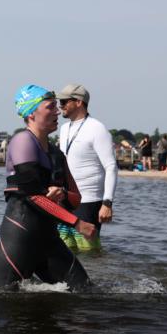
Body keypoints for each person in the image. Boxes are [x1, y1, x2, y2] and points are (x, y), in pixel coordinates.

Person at [0, 85, 95, 291]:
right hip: (19, 237)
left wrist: (63, 194)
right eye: (50, 107)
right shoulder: (22, 141)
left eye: (57, 107)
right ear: (31, 113)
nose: (57, 112)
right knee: (4, 300)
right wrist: (77, 223)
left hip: (49, 240)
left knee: (86, 292)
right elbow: (31, 196)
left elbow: (76, 199)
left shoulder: (57, 154)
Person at [55, 84, 117, 252]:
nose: (60, 106)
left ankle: (98, 277)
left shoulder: (97, 128)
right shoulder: (63, 128)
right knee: (64, 249)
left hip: (89, 200)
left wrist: (107, 203)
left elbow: (111, 167)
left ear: (79, 102)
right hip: (65, 198)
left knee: (88, 252)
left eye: (64, 101)